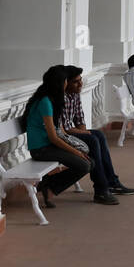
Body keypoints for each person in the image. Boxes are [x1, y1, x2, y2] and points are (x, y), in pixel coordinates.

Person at [61, 65, 134, 203]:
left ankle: (112, 182)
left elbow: (79, 120)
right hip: (60, 138)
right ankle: (101, 189)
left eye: (80, 80)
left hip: (70, 133)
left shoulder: (74, 95)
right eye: (76, 81)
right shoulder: (60, 99)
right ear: (66, 83)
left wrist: (85, 133)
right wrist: (86, 135)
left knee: (98, 136)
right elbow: (64, 129)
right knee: (94, 139)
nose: (80, 84)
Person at [21, 66, 90, 209]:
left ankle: (47, 184)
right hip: (41, 149)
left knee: (90, 163)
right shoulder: (45, 102)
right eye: (66, 80)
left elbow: (59, 133)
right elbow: (53, 137)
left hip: (48, 146)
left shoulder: (50, 99)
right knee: (85, 165)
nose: (67, 83)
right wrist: (76, 152)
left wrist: (75, 149)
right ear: (59, 82)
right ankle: (50, 189)